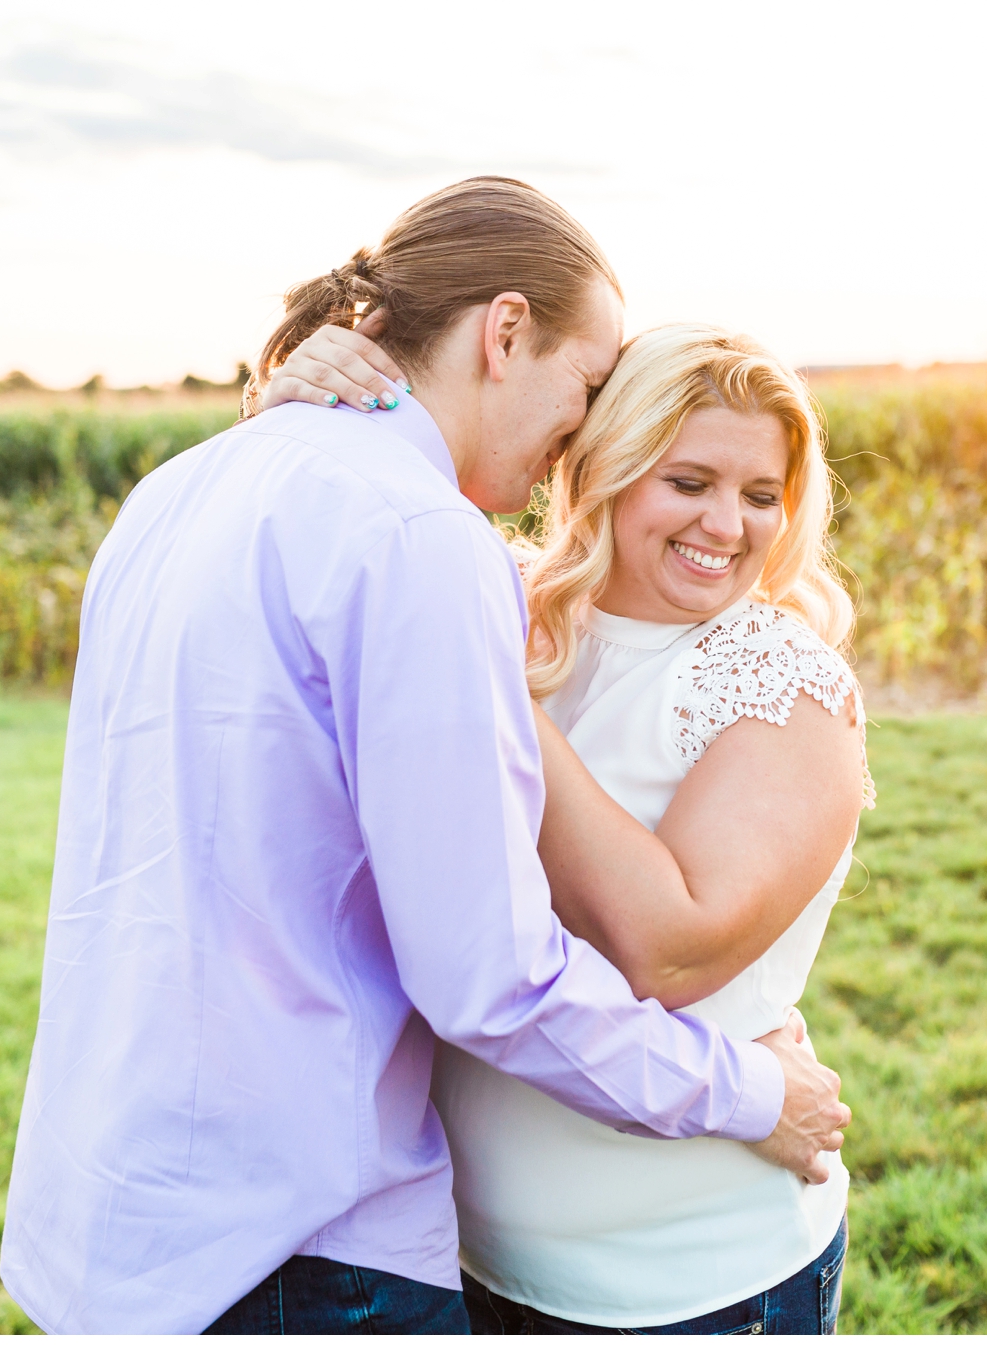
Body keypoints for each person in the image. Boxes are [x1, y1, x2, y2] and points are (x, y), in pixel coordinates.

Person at [0, 178, 849, 1336]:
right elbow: (488, 978)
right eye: (586, 383)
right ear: (504, 332)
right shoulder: (424, 546)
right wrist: (755, 1093)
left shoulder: (181, 487)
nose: (579, 422)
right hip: (298, 1231)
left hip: (117, 1214)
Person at [266, 323, 872, 1334]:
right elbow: (317, 551)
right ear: (608, 468)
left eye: (760, 494)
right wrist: (284, 395)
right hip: (462, 1260)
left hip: (688, 1283)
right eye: (687, 481)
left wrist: (486, 678)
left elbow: (669, 950)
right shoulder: (508, 604)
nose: (727, 524)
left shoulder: (782, 681)